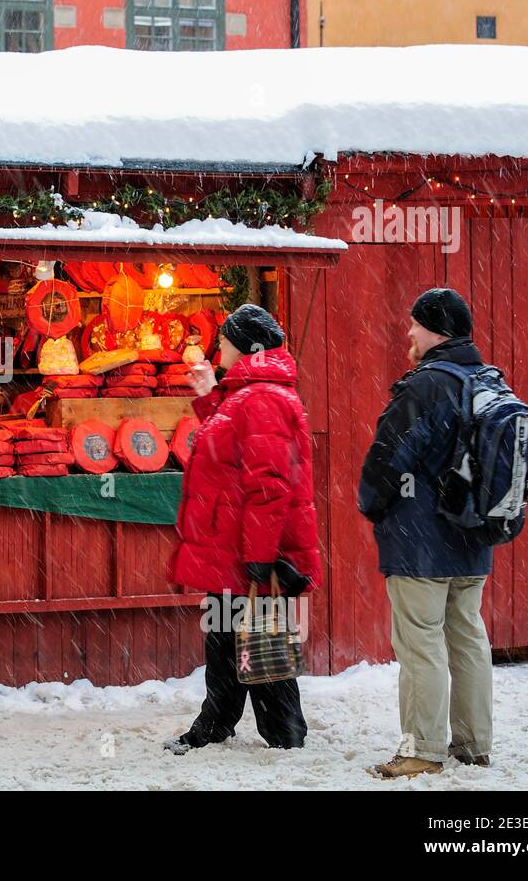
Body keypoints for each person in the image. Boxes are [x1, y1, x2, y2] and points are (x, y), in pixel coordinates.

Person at [164, 303, 321, 755]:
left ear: (245, 346)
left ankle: (285, 737)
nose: (219, 346)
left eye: (225, 340)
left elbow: (268, 486)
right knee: (227, 641)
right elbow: (236, 449)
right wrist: (212, 396)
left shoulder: (264, 396)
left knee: (257, 641)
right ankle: (216, 723)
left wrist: (260, 556)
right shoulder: (251, 392)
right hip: (233, 544)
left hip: (246, 549)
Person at [359, 288, 494, 778]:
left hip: (422, 544)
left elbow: (388, 459)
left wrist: (372, 505)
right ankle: (475, 743)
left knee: (421, 646)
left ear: (436, 331)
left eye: (415, 324)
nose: (408, 333)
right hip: (474, 538)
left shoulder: (426, 386)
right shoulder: (485, 381)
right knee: (469, 640)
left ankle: (421, 750)